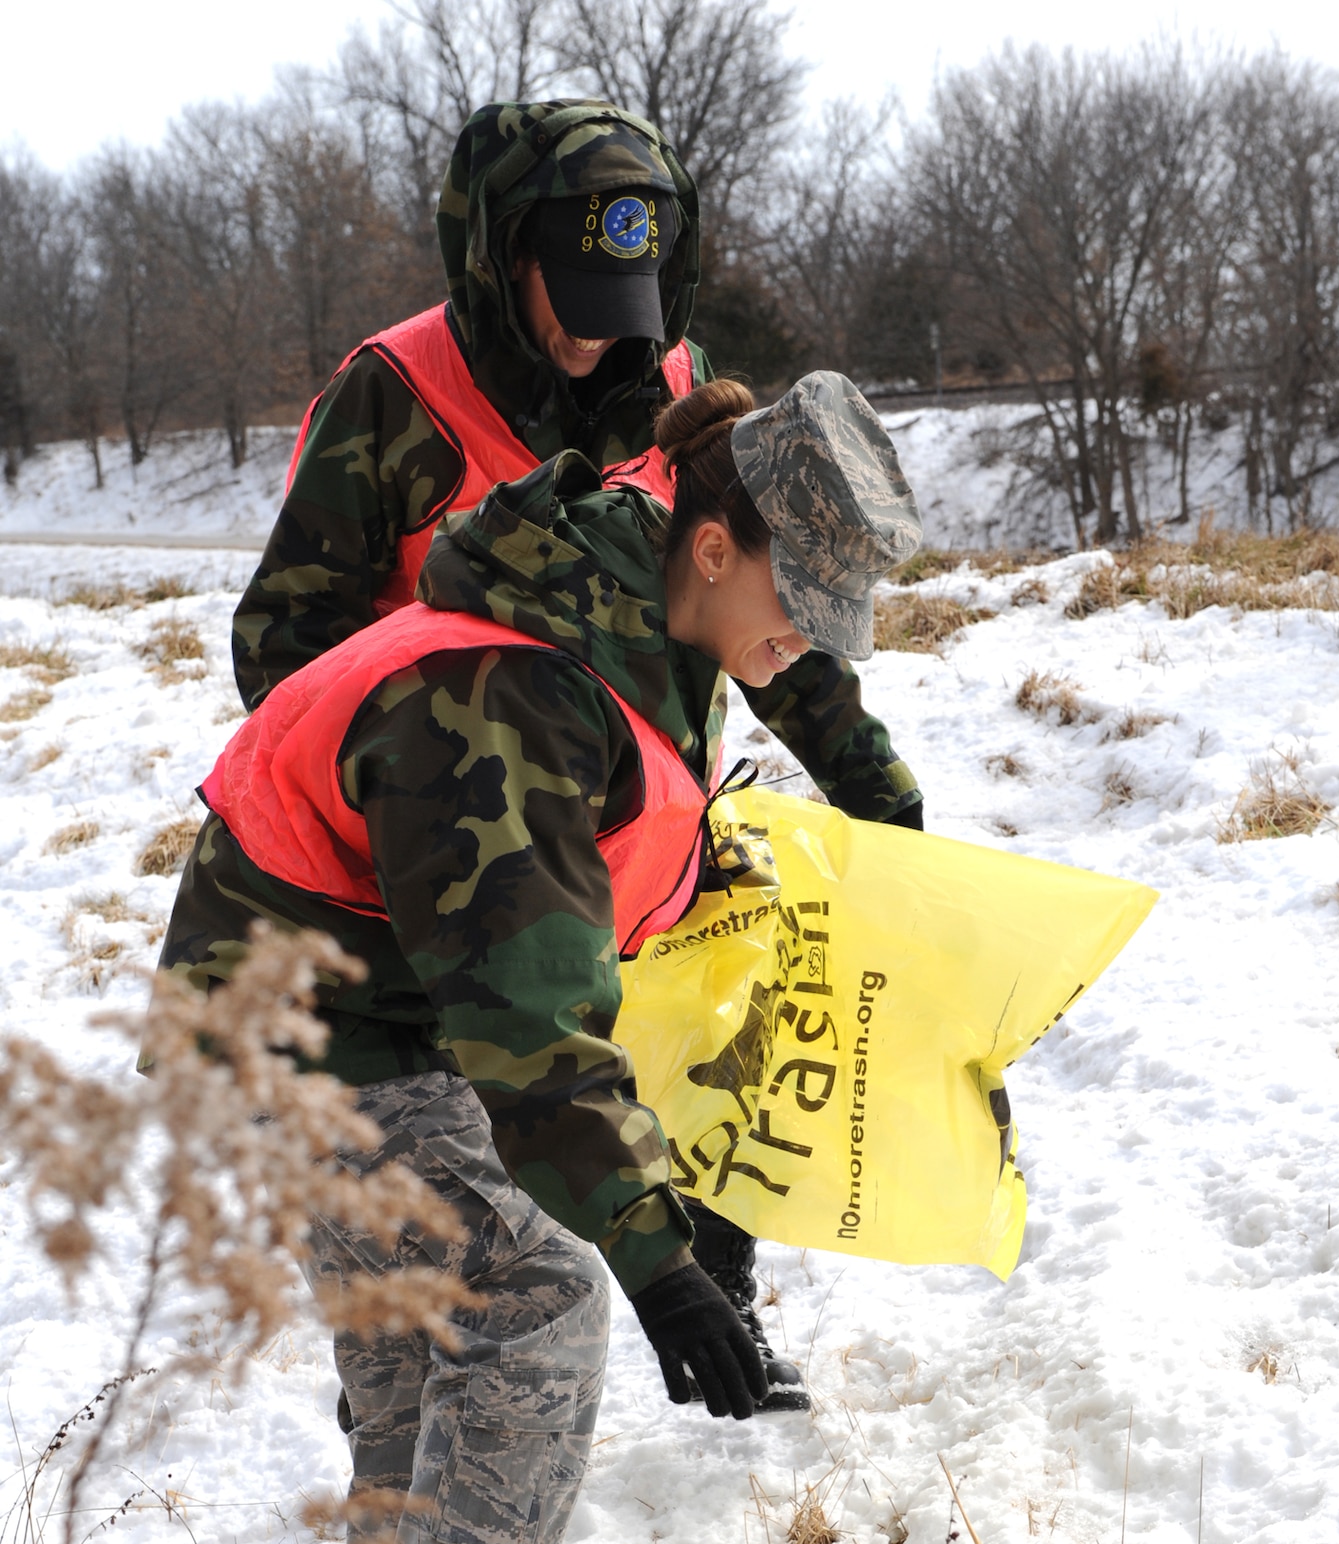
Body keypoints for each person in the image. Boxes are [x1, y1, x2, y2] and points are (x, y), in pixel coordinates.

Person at [159, 371, 923, 1544]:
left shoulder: (632, 630)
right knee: (533, 1302)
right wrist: (654, 1256)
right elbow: (529, 1021)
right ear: (713, 545)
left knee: (415, 1367)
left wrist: (674, 1197)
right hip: (307, 1029)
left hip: (373, 1012)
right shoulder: (510, 695)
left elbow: (563, 954)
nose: (811, 639)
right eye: (802, 595)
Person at [232, 102, 926, 1393]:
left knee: (725, 1027)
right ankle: (415, 1386)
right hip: (442, 839)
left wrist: (873, 785)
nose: (613, 325)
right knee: (468, 1132)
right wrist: (425, 770)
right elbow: (280, 647)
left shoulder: (670, 382)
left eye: (639, 288)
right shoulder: (394, 394)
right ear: (500, 262)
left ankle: (710, 1285)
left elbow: (762, 594)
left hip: (626, 801)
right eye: (580, 292)